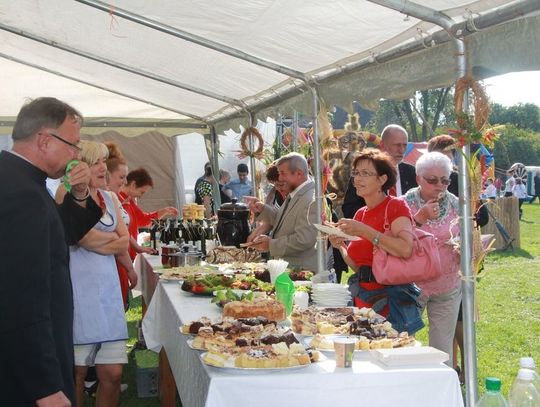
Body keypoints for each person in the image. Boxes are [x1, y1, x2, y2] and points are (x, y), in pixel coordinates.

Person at [0, 97, 102, 406]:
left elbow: (60, 235)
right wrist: (44, 385)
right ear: (44, 140)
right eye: (73, 144)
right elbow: (20, 298)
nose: (76, 154)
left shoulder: (22, 181)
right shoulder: (20, 193)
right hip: (24, 375)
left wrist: (80, 194)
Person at [327, 148, 423, 334]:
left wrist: (365, 231)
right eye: (356, 173)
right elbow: (359, 267)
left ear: (382, 179)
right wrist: (341, 246)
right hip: (363, 299)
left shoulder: (395, 206)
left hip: (390, 302)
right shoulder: (360, 213)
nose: (357, 179)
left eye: (365, 173)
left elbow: (405, 249)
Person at [403, 152, 461, 365]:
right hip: (411, 286)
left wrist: (463, 246)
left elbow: (468, 235)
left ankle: (441, 383)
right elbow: (396, 240)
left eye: (445, 181)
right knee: (404, 342)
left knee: (442, 350)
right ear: (418, 178)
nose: (439, 186)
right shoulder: (404, 204)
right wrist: (420, 217)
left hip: (447, 285)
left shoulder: (456, 204)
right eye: (432, 180)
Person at [248, 153, 318, 272]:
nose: (280, 178)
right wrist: (263, 209)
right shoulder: (297, 193)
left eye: (283, 173)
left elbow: (304, 239)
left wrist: (271, 244)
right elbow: (284, 220)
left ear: (299, 174)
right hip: (290, 270)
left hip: (301, 272)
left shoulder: (311, 198)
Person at [342, 124, 417, 218]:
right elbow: (349, 209)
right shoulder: (363, 172)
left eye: (405, 145)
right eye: (397, 145)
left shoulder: (412, 172)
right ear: (382, 145)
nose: (402, 150)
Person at [105, 142, 138, 309]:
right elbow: (118, 236)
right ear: (107, 175)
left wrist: (135, 247)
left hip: (120, 262)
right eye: (121, 177)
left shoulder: (113, 197)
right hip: (111, 264)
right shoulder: (105, 198)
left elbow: (122, 235)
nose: (125, 181)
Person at [119, 168, 178, 259]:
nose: (140, 196)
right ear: (133, 185)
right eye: (141, 192)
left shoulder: (128, 201)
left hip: (128, 253)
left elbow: (142, 219)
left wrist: (164, 211)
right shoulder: (120, 200)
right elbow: (127, 231)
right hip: (123, 254)